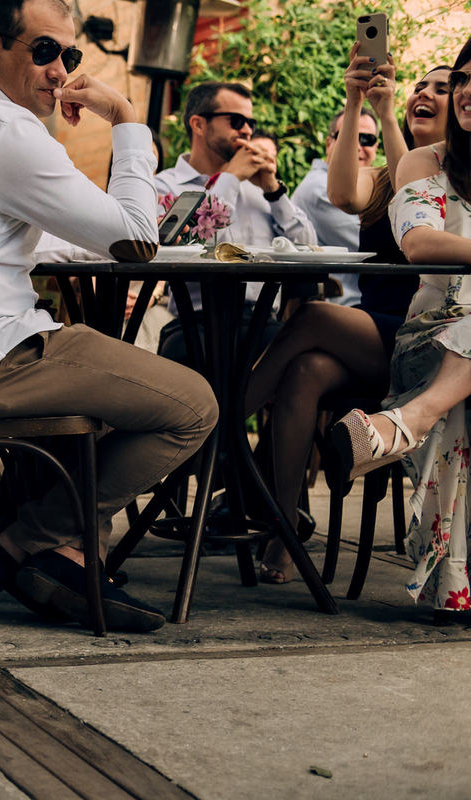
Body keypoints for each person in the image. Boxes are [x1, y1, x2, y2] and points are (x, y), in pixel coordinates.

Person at [0, 0, 218, 632]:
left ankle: (68, 552)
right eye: (45, 52)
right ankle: (29, 541)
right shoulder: (5, 131)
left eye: (70, 56)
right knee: (193, 404)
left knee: (120, 395)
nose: (60, 71)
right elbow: (137, 236)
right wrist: (128, 121)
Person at [247, 53, 450, 584]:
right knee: (305, 371)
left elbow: (417, 197)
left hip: (432, 336)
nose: (423, 93)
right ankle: (285, 524)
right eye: (420, 85)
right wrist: (356, 98)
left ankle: (216, 433)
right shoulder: (388, 172)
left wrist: (385, 119)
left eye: (444, 88)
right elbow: (342, 194)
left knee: (312, 315)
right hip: (376, 331)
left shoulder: (451, 181)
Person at [327, 38, 471, 625]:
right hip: (430, 339)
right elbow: (419, 244)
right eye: (462, 77)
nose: (464, 90)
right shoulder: (424, 162)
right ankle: (416, 414)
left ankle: (405, 424)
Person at [155, 82, 318, 364]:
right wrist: (228, 178)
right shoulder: (165, 186)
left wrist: (274, 191)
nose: (247, 131)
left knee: (310, 364)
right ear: (198, 124)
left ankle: (231, 410)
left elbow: (310, 249)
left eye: (250, 123)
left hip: (263, 322)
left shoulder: (261, 190)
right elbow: (180, 245)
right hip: (195, 325)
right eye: (236, 121)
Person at [291, 107, 381, 305]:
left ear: (376, 147)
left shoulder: (362, 189)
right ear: (329, 144)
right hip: (345, 305)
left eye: (367, 140)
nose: (357, 146)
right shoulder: (321, 189)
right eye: (348, 136)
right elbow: (377, 248)